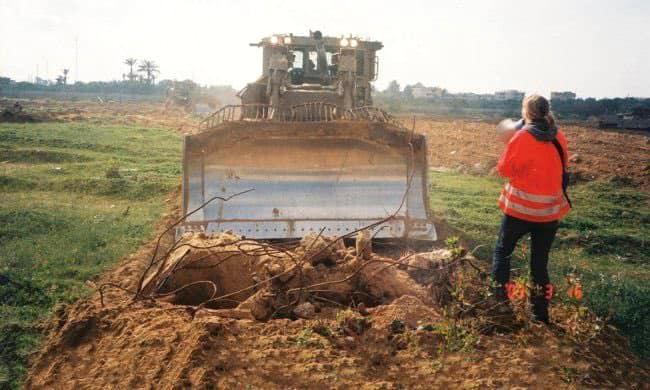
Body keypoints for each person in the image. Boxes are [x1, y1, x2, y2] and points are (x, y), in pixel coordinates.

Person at [492, 94, 571, 323]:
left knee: (502, 253)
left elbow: (504, 170)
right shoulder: (559, 136)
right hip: (549, 213)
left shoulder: (522, 136)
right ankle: (540, 314)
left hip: (520, 210)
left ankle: (500, 306)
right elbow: (562, 167)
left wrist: (511, 144)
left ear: (526, 112)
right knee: (539, 263)